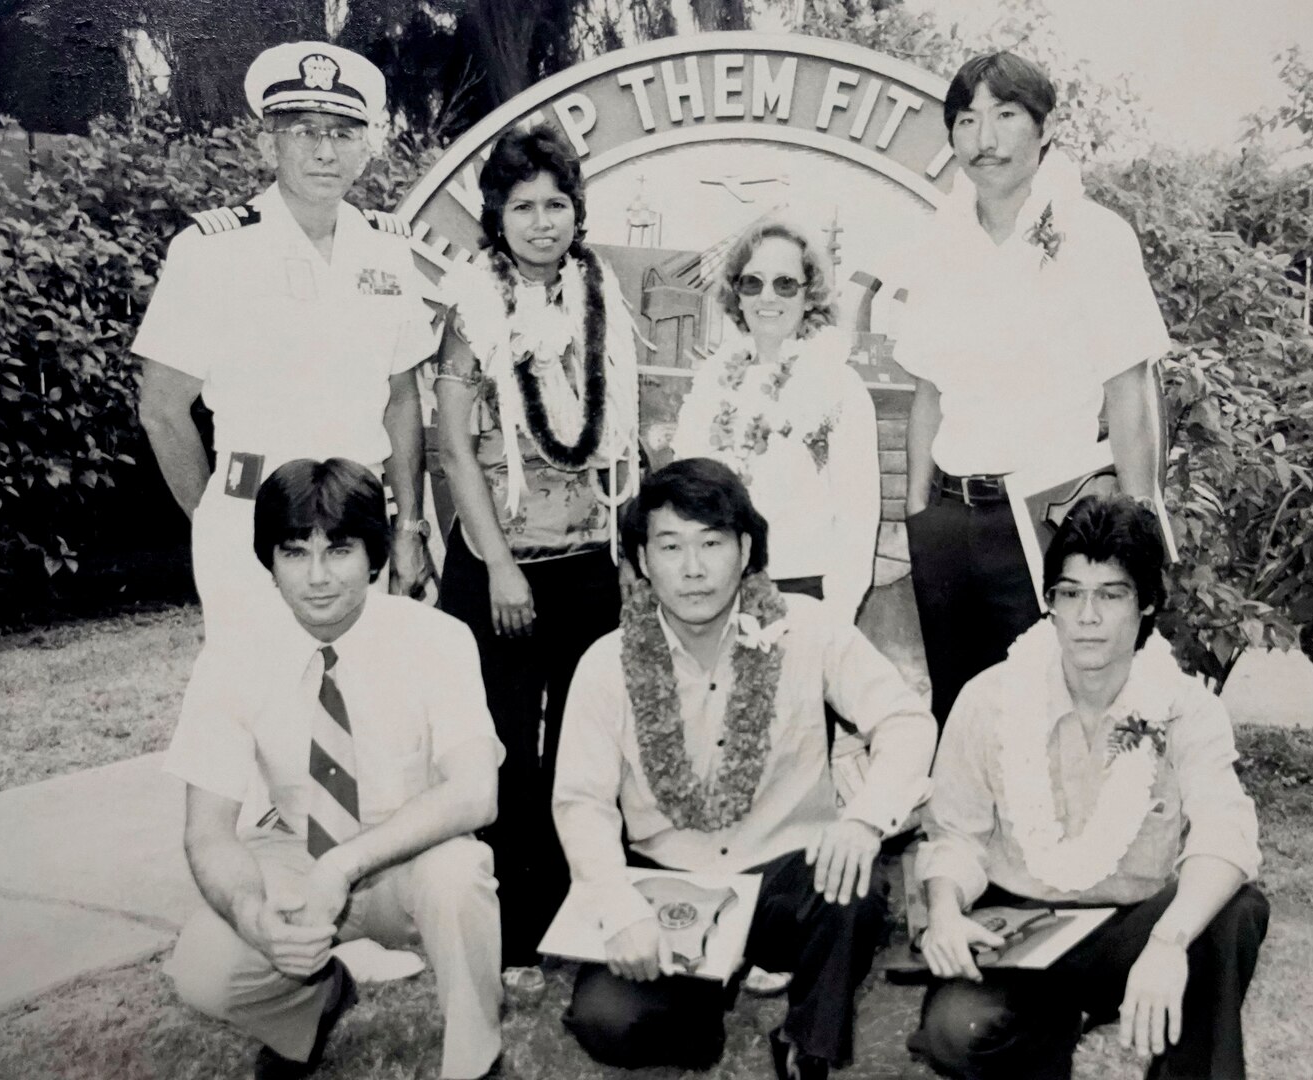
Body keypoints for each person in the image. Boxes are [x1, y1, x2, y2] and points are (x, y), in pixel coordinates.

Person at [552, 458, 937, 1080]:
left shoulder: (806, 628)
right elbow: (581, 803)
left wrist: (865, 818)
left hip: (787, 876)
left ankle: (808, 1044)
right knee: (609, 1022)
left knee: (852, 887)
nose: (694, 568)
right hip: (669, 881)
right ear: (643, 562)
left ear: (746, 549)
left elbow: (907, 721)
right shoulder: (606, 663)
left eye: (712, 543)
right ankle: (700, 1005)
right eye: (671, 547)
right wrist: (620, 909)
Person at [162, 458, 503, 1080]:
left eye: (339, 550)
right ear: (268, 560)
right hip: (297, 850)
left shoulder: (439, 638)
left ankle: (475, 1062)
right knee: (203, 968)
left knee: (460, 876)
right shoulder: (232, 656)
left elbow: (476, 793)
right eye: (295, 553)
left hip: (411, 856)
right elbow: (207, 829)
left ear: (375, 555)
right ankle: (317, 1000)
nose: (317, 577)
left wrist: (344, 864)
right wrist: (250, 914)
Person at [908, 495, 1268, 1080]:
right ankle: (1046, 1030)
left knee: (1234, 912)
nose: (1087, 617)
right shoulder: (990, 699)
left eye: (1110, 594)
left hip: (1132, 926)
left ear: (1146, 603)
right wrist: (945, 912)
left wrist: (1170, 941)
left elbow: (1226, 833)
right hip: (1020, 924)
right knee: (956, 1030)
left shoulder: (1183, 708)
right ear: (1049, 603)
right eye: (1069, 594)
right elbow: (954, 834)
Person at [896, 51, 1172, 724]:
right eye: (966, 120)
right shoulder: (937, 242)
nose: (984, 140)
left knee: (1055, 713)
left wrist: (1135, 532)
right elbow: (929, 393)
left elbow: (1129, 392)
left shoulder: (1096, 236)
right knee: (958, 716)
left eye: (1006, 116)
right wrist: (917, 518)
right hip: (950, 519)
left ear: (1044, 129)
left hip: (1051, 521)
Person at [135, 41, 435, 643]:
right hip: (253, 508)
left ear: (365, 147)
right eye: (304, 130)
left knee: (370, 697)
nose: (325, 150)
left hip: (360, 516)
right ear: (267, 141)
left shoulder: (387, 249)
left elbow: (402, 399)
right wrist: (217, 524)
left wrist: (409, 529)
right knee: (261, 705)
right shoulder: (214, 250)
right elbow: (162, 411)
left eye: (344, 133)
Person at [431, 124, 641, 969]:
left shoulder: (601, 290)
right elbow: (453, 447)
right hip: (500, 566)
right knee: (509, 750)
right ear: (496, 213)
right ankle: (514, 936)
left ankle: (581, 914)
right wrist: (503, 569)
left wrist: (628, 550)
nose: (542, 222)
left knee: (586, 749)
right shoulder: (468, 300)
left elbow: (618, 432)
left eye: (557, 204)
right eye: (523, 206)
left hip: (590, 562)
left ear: (576, 210)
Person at [670, 218, 880, 623]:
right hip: (715, 594)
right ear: (738, 294)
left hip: (804, 597)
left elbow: (857, 519)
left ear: (809, 294)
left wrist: (833, 623)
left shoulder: (838, 384)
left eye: (785, 284)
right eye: (753, 283)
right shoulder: (711, 380)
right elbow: (684, 495)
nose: (768, 297)